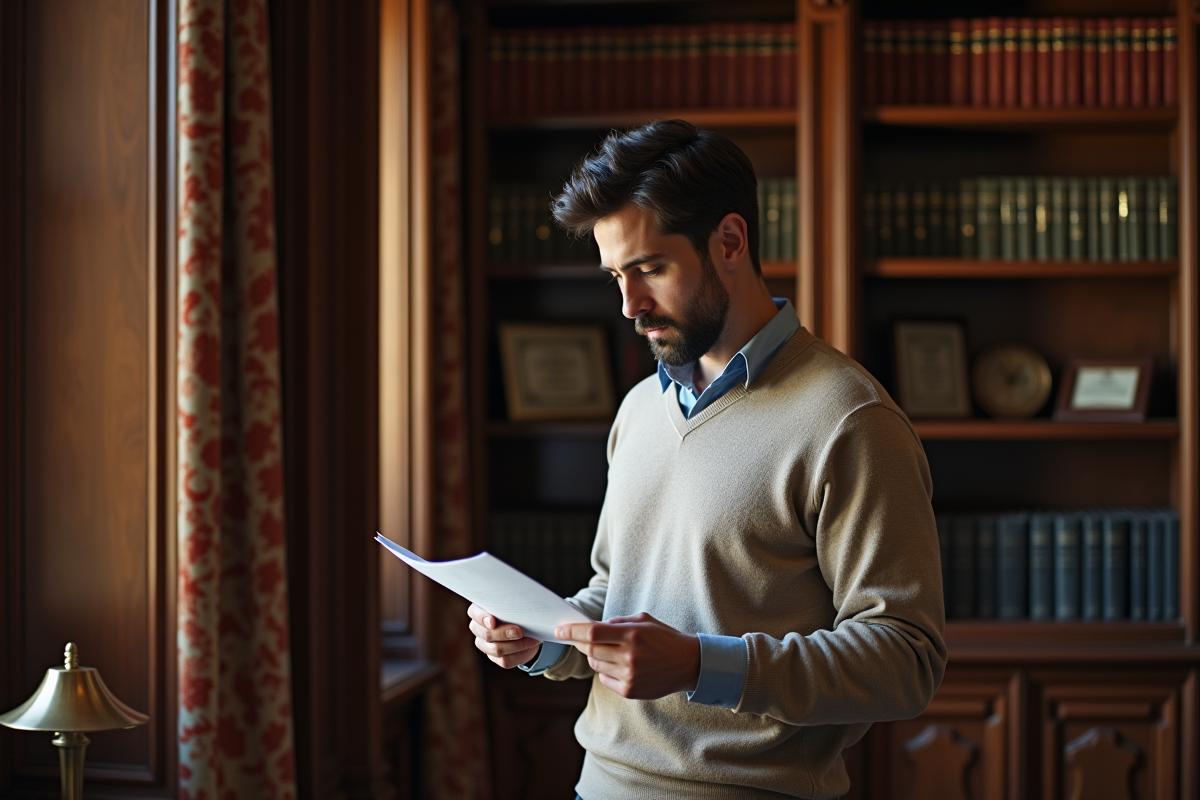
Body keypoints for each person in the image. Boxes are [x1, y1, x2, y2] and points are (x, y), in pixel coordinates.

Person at [467, 119, 946, 800]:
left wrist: (698, 664)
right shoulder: (637, 408)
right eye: (615, 277)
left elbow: (906, 660)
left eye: (650, 270)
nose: (630, 305)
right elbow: (617, 595)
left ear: (729, 241)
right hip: (596, 787)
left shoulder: (849, 419)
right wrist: (541, 640)